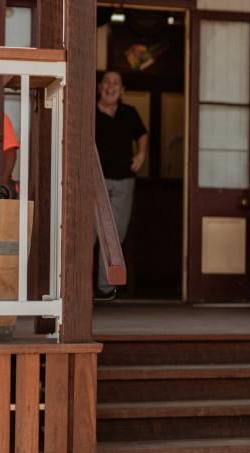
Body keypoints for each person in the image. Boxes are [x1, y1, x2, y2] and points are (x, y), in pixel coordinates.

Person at [94, 70, 148, 301]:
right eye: (107, 82)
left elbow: (142, 134)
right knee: (89, 234)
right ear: (99, 87)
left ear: (123, 90)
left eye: (116, 83)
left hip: (124, 181)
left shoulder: (129, 113)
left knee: (115, 234)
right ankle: (76, 287)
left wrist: (141, 155)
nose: (111, 86)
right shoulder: (90, 110)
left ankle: (105, 290)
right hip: (95, 181)